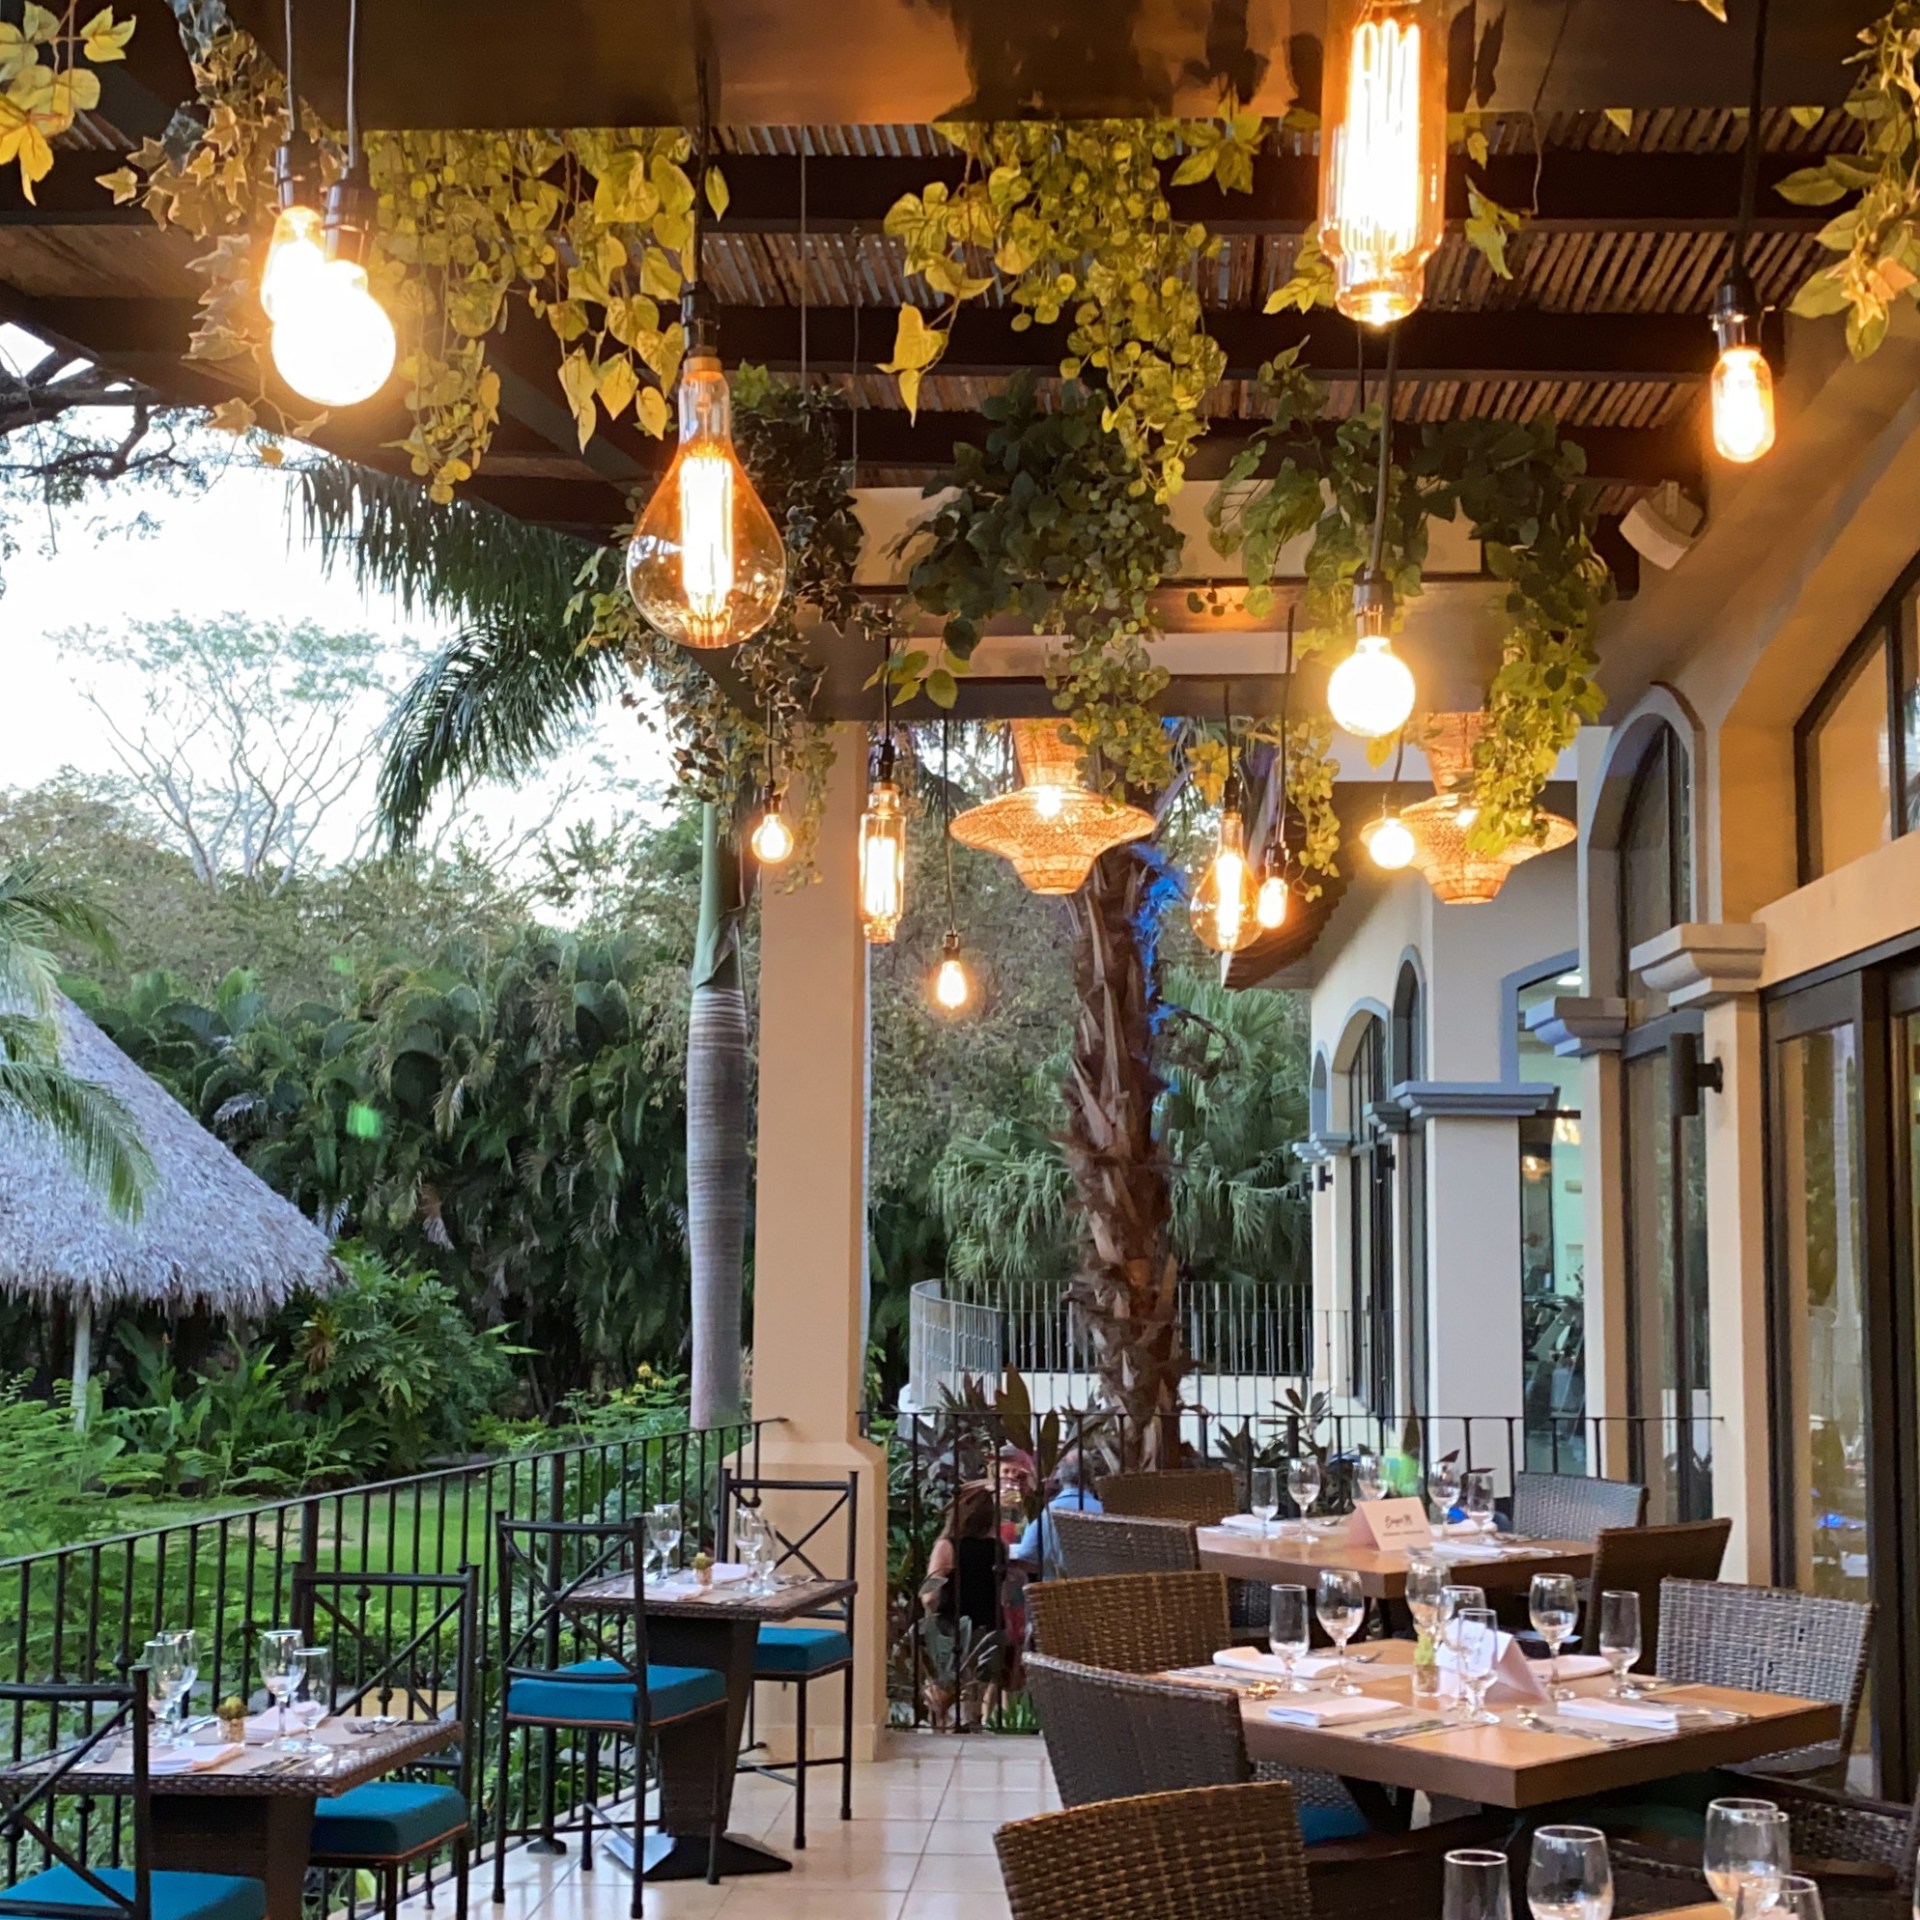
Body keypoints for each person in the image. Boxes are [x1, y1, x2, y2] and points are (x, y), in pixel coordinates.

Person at [1011, 1452, 1101, 1583]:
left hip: (1054, 1593)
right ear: (1091, 1476)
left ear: (1061, 1476)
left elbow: (1026, 1559)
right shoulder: (1105, 1511)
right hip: (1098, 1592)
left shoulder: (1047, 1512)